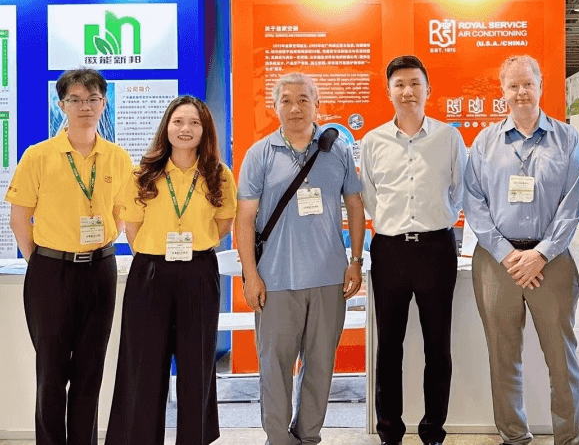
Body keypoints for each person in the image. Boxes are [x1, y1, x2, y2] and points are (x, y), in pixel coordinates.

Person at [464, 55, 579, 445]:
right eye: (513, 85)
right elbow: (474, 202)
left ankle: (570, 437)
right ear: (503, 91)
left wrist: (541, 253)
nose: (521, 92)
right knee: (503, 355)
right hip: (496, 262)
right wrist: (506, 253)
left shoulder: (566, 138)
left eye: (528, 84)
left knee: (561, 356)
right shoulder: (485, 141)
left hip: (551, 260)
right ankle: (514, 436)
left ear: (540, 86)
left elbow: (573, 202)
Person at [236, 72, 366, 445]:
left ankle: (308, 436)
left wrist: (356, 260)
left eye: (303, 100)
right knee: (274, 368)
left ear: (317, 105)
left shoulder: (337, 150)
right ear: (275, 107)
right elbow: (244, 219)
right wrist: (250, 276)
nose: (295, 108)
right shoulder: (260, 154)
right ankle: (279, 439)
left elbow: (355, 205)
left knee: (320, 366)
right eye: (287, 100)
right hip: (275, 280)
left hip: (329, 278)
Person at [5, 68, 133, 445]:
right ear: (61, 105)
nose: (85, 107)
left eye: (93, 99)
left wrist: (100, 245)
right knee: (51, 371)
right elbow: (19, 219)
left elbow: (122, 214)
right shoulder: (38, 156)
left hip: (99, 270)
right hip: (50, 271)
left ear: (103, 103)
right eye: (75, 99)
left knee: (90, 371)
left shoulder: (117, 158)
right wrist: (42, 261)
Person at [103, 96, 236, 445]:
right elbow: (133, 230)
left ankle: (194, 438)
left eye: (194, 123)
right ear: (167, 127)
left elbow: (223, 224)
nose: (185, 129)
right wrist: (158, 253)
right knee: (144, 363)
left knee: (197, 363)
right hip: (151, 273)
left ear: (205, 130)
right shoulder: (143, 173)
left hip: (198, 271)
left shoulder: (219, 174)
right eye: (178, 122)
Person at [360, 55, 467, 445]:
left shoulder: (448, 138)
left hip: (436, 249)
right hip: (389, 250)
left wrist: (435, 218)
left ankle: (433, 430)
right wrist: (394, 223)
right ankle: (389, 431)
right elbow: (370, 196)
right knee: (389, 346)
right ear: (388, 91)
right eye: (399, 84)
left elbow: (460, 190)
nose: (407, 91)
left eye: (414, 83)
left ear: (428, 89)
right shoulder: (373, 141)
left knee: (438, 345)